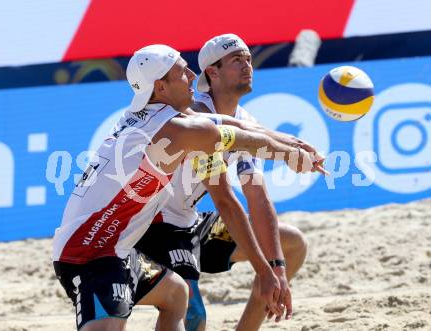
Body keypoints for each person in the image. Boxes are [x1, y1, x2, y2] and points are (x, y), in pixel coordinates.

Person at [52, 44, 324, 331]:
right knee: (183, 313)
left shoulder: (161, 116)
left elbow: (238, 127)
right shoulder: (179, 131)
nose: (193, 75)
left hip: (119, 247)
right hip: (89, 251)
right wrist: (289, 155)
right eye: (183, 71)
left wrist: (294, 145)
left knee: (175, 294)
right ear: (160, 86)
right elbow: (238, 147)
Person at [135, 35, 326, 331]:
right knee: (193, 314)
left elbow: (258, 198)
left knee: (292, 245)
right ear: (212, 72)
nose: (247, 65)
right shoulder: (194, 115)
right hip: (156, 227)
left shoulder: (245, 119)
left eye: (249, 58)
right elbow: (224, 199)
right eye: (237, 60)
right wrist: (264, 271)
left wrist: (275, 268)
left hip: (189, 223)